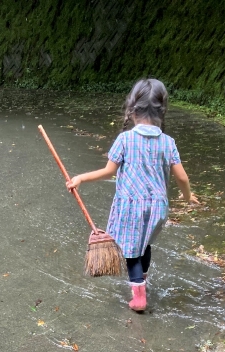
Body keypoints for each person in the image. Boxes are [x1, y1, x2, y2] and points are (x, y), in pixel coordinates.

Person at [66, 78, 199, 312]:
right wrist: (188, 197)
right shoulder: (168, 143)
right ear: (162, 110)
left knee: (130, 251)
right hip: (158, 208)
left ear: (133, 109)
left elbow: (108, 171)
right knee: (144, 243)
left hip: (131, 207)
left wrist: (80, 178)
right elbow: (182, 178)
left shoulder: (125, 140)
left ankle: (139, 297)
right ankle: (142, 280)